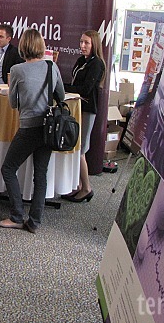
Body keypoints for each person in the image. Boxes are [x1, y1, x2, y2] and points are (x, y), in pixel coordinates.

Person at [0, 29, 65, 233]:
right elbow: (60, 95)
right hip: (48, 128)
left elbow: (13, 103)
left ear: (23, 46)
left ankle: (16, 215)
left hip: (28, 127)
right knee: (40, 174)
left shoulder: (17, 70)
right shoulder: (51, 66)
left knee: (8, 169)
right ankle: (34, 221)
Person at [61, 29, 106, 203]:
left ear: (94, 44)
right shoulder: (82, 60)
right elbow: (76, 84)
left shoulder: (97, 64)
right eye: (81, 42)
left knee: (81, 149)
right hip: (76, 107)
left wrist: (63, 87)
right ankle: (79, 185)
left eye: (86, 42)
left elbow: (86, 89)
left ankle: (87, 188)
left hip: (87, 109)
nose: (83, 45)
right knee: (76, 147)